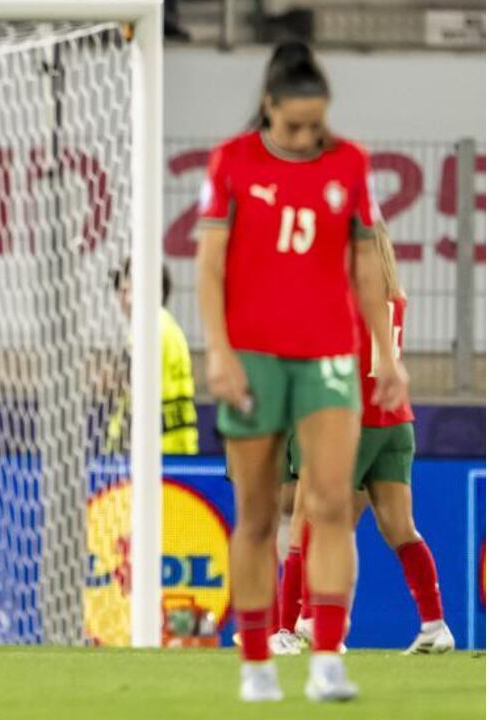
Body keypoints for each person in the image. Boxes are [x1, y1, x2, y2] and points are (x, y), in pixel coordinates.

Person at [195, 42, 408, 702]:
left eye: (315, 125)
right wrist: (220, 351)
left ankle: (326, 658)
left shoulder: (350, 164)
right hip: (256, 357)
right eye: (293, 126)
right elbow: (210, 265)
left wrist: (387, 354)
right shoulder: (231, 163)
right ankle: (257, 660)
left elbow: (368, 265)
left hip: (328, 357)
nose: (304, 138)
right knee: (259, 514)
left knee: (329, 509)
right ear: (269, 107)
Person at [274, 223, 453, 656]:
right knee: (400, 528)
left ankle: (292, 627)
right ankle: (434, 624)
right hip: (394, 423)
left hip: (350, 421)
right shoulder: (395, 298)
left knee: (310, 520)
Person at [108, 261, 199, 455]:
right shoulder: (167, 326)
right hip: (172, 445)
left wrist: (109, 381)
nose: (122, 297)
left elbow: (129, 383)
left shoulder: (150, 327)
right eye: (120, 290)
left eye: (128, 289)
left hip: (152, 450)